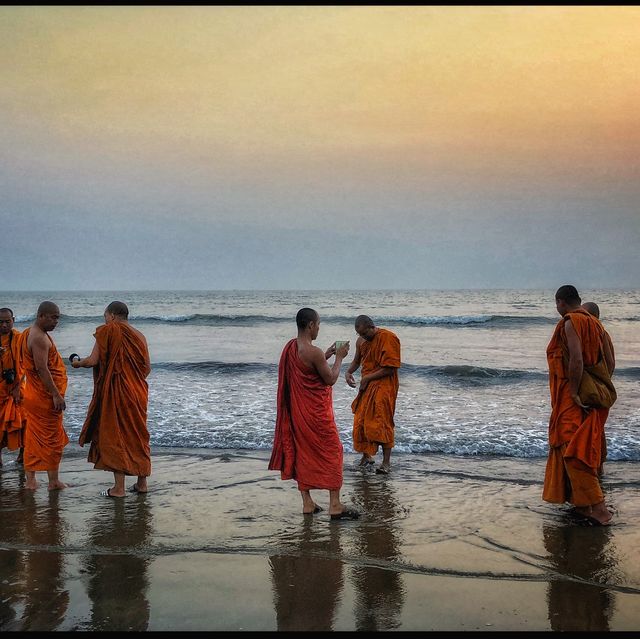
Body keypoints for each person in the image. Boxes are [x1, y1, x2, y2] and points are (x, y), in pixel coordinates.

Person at [268, 307, 359, 519]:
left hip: (299, 414)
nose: (318, 328)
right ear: (311, 325)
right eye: (318, 325)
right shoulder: (313, 352)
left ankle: (308, 503)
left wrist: (326, 354)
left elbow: (309, 366)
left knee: (303, 452)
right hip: (317, 415)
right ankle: (335, 505)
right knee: (334, 450)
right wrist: (339, 358)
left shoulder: (292, 347)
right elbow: (330, 378)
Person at [542, 285, 614, 525]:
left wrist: (574, 392)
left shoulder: (571, 322)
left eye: (557, 304)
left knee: (574, 452)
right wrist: (595, 387)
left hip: (572, 397)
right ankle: (583, 505)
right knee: (583, 447)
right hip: (592, 396)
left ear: (560, 302)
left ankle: (600, 510)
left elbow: (576, 359)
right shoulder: (596, 325)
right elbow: (610, 362)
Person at [73, 301, 152, 498]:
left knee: (116, 434)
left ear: (112, 316)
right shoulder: (139, 335)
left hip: (118, 391)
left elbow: (92, 361)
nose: (105, 320)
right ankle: (142, 484)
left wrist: (76, 363)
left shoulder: (109, 330)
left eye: (105, 316)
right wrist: (131, 379)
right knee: (138, 434)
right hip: (138, 392)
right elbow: (147, 369)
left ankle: (119, 489)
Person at [20, 301, 68, 491]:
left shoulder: (28, 333)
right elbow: (41, 369)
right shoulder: (39, 337)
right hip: (44, 397)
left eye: (58, 318)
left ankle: (31, 480)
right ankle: (53, 481)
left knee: (33, 437)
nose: (57, 321)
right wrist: (56, 395)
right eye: (53, 317)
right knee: (52, 439)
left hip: (33, 394)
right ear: (41, 316)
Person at [345, 315, 401, 475]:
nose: (363, 337)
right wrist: (348, 372)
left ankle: (386, 462)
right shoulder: (361, 341)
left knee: (382, 422)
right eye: (359, 334)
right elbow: (357, 361)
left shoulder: (388, 337)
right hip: (367, 386)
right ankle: (366, 456)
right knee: (361, 421)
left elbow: (391, 367)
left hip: (384, 386)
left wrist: (368, 377)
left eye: (365, 333)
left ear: (372, 327)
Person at [581, 301, 616, 476]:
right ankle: (599, 470)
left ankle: (593, 474)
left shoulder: (596, 333)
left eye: (583, 313)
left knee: (591, 434)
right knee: (597, 431)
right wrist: (604, 381)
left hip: (592, 393)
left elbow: (609, 363)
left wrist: (593, 383)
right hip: (602, 392)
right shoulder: (603, 333)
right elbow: (611, 364)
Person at [0, 308, 26, 467]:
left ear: (13, 320)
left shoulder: (19, 338)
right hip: (0, 389)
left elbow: (26, 364)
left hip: (17, 387)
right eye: (0, 322)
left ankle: (22, 456)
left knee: (23, 422)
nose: (3, 325)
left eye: (7, 321)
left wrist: (17, 387)